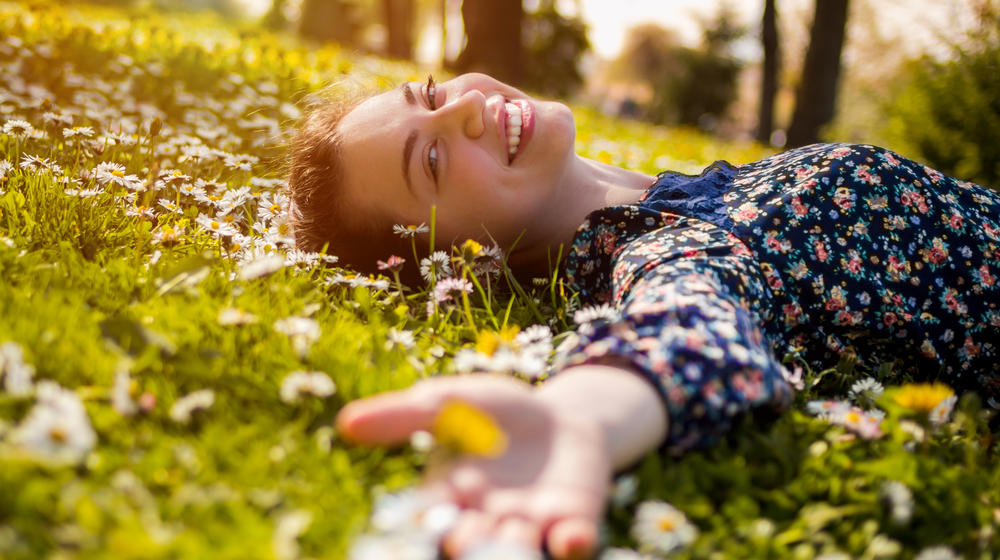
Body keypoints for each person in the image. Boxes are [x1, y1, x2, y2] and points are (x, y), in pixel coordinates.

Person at [287, 73, 1000, 559]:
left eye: (432, 94)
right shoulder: (668, 250)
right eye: (434, 158)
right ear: (464, 261)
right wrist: (580, 415)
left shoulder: (684, 196)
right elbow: (686, 323)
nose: (466, 109)